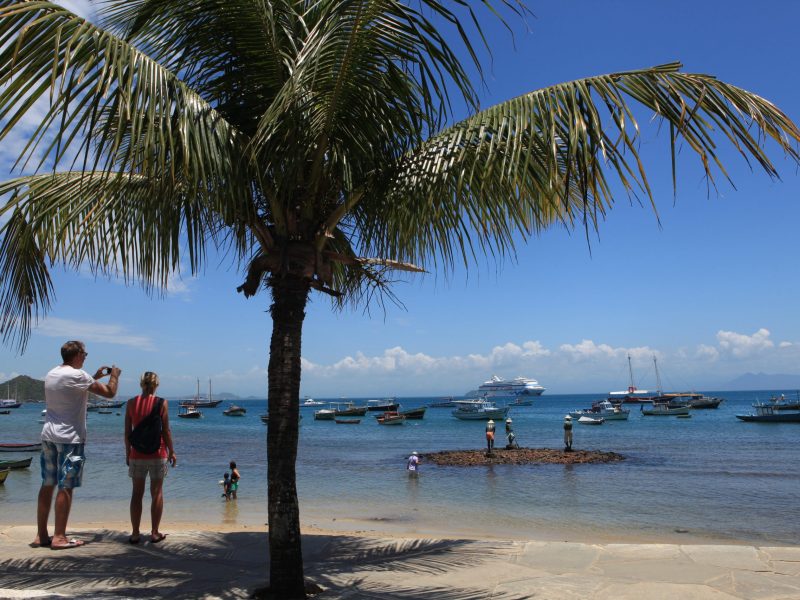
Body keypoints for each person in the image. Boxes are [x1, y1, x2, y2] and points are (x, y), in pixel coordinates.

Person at [35, 340, 121, 550]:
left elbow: (73, 386)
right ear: (77, 355)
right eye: (85, 354)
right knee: (66, 486)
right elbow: (110, 393)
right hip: (70, 439)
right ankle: (59, 537)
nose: (85, 357)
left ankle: (41, 535)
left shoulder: (52, 373)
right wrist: (115, 376)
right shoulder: (79, 376)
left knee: (47, 484)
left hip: (49, 436)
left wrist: (95, 376)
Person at [124, 372, 176, 544]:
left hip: (136, 453)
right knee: (157, 493)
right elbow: (166, 431)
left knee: (136, 494)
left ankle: (135, 533)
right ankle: (154, 532)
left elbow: (127, 432)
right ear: (157, 385)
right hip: (157, 453)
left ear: (141, 384)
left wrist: (127, 452)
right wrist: (172, 451)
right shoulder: (162, 403)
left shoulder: (131, 403)